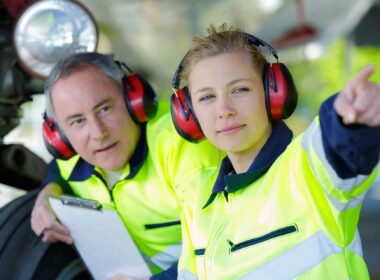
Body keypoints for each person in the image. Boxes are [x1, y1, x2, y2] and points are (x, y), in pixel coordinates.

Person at [169, 24, 380, 279]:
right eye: (206, 98)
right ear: (188, 115)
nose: (224, 109)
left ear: (273, 94)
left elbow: (337, 144)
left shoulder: (305, 167)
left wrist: (350, 120)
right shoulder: (197, 198)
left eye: (240, 89)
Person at [30, 52, 220, 278]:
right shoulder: (73, 157)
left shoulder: (183, 145)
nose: (98, 133)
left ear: (135, 100)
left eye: (104, 109)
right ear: (59, 136)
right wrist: (48, 192)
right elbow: (58, 170)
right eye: (78, 121)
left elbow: (223, 250)